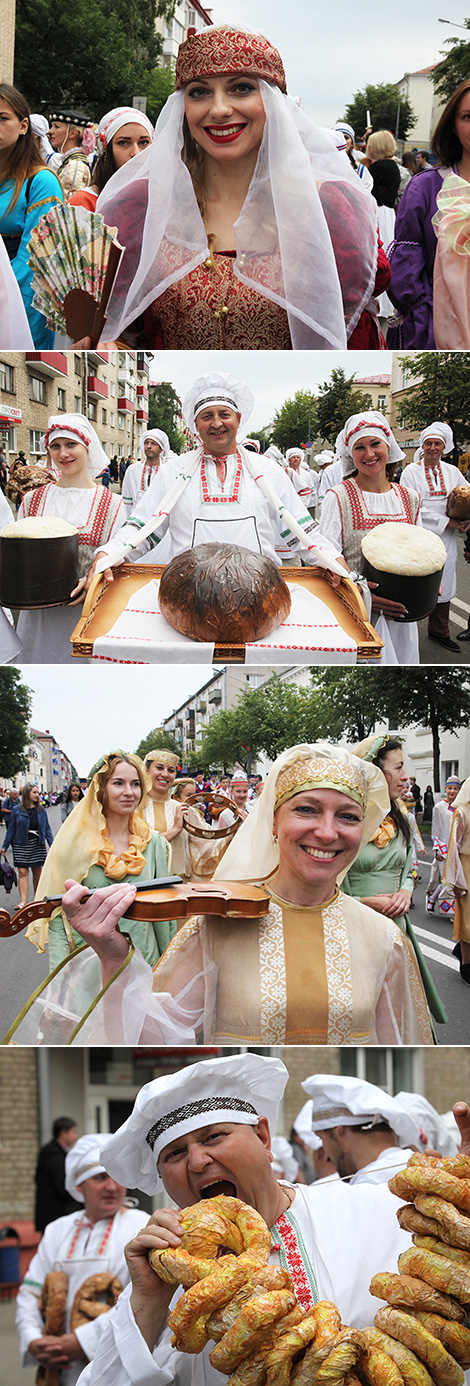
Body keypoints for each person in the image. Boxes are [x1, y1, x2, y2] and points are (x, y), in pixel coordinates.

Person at [70, 1054, 470, 1386]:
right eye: (174, 1154)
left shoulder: (379, 1211)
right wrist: (148, 1304)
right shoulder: (169, 1279)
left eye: (214, 1137)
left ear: (263, 1138)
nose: (197, 1161)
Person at [30, 743, 436, 1046]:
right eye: (307, 810)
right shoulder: (220, 926)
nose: (328, 832)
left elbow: (402, 1044)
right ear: (273, 823)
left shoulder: (384, 938)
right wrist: (114, 956)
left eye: (347, 817)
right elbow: (151, 1039)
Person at [93, 24, 384, 351]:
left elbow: (349, 341)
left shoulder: (325, 208)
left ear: (272, 102)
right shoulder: (142, 207)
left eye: (242, 88)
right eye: (199, 92)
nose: (218, 109)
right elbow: (123, 331)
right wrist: (110, 349)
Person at [88, 372, 348, 586]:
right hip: (187, 595)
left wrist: (333, 559)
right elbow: (143, 528)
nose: (216, 423)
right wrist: (109, 554)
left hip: (261, 593)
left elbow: (301, 530)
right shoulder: (174, 471)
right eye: (207, 416)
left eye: (224, 414)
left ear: (238, 419)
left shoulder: (267, 471)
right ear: (196, 424)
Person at [23, 750, 176, 977]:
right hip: (89, 969)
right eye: (118, 783)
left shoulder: (155, 844)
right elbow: (58, 920)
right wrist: (58, 983)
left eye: (135, 784)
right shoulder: (72, 847)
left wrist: (168, 971)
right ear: (100, 789)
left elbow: (165, 917)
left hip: (145, 965)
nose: (128, 792)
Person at [17, 1134, 144, 1386]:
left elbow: (141, 1299)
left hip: (117, 1365)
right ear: (79, 1185)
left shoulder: (142, 1226)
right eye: (99, 1178)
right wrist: (33, 1339)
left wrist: (83, 1341)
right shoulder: (58, 1230)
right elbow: (30, 1292)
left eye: (117, 1178)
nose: (112, 1187)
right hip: (59, 1368)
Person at [343, 733, 447, 1025]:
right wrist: (366, 902)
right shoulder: (347, 817)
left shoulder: (398, 811)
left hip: (397, 924)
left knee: (400, 1011)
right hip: (358, 924)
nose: (405, 776)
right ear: (376, 770)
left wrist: (405, 891)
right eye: (398, 767)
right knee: (366, 1011)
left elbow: (409, 864)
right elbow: (330, 884)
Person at [15, 412, 125, 664]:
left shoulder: (113, 504)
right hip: (38, 617)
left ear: (87, 447)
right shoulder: (32, 501)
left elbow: (119, 562)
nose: (63, 453)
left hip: (87, 614)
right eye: (56, 446)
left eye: (71, 444)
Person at [317, 411, 421, 664]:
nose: (369, 454)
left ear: (389, 446)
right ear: (350, 454)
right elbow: (324, 561)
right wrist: (364, 597)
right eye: (360, 447)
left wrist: (427, 583)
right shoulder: (339, 497)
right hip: (357, 615)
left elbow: (420, 551)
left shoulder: (410, 497)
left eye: (375, 444)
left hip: (403, 616)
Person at [388, 78, 470, 348]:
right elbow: (406, 265)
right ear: (453, 126)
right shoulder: (426, 186)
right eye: (468, 117)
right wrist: (427, 320)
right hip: (438, 332)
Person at [0, 82, 63, 346]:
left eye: (3, 118)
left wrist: (4, 292)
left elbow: (34, 255)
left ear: (23, 126)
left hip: (23, 295)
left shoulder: (41, 181)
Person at [400, 421, 470, 652]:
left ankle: (440, 632)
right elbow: (413, 504)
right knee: (418, 581)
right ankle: (403, 632)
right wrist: (448, 521)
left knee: (445, 580)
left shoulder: (452, 471)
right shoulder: (411, 471)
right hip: (422, 533)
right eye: (428, 443)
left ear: (444, 447)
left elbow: (467, 495)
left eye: (437, 444)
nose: (432, 448)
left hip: (447, 538)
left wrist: (467, 517)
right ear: (423, 446)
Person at [306, 1075, 420, 1186]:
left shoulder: (369, 1185)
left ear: (339, 1132)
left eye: (321, 1138)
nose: (326, 1157)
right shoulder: (423, 1166)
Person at [68, 106, 153, 213]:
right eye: (123, 143)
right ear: (106, 149)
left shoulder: (162, 199)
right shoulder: (84, 203)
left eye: (144, 142)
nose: (136, 153)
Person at [0, 783, 53, 907]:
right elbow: (11, 829)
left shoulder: (41, 810)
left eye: (37, 793)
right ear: (27, 793)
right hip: (21, 843)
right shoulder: (17, 810)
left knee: (37, 872)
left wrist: (52, 844)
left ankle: (37, 899)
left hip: (37, 844)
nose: (37, 795)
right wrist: (5, 845)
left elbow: (46, 828)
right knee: (22, 872)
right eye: (34, 792)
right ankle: (23, 901)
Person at [442, 774, 470, 983]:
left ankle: (460, 950)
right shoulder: (462, 813)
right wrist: (456, 881)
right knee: (468, 921)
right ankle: (467, 964)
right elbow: (454, 847)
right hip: (466, 869)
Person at [35, 1116, 81, 1233]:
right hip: (56, 1214)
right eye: (73, 1132)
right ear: (63, 1133)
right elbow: (63, 1186)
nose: (75, 1136)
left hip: (50, 1213)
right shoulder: (55, 1156)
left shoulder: (50, 1153)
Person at [427, 773, 461, 916]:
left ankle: (436, 900)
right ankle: (451, 912)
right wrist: (437, 849)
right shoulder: (440, 807)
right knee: (446, 880)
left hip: (459, 849)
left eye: (455, 789)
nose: (452, 791)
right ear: (445, 790)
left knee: (457, 881)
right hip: (445, 849)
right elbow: (437, 830)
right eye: (450, 788)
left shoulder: (462, 807)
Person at [121, 429, 173, 522]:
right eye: (146, 443)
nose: (149, 446)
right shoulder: (133, 470)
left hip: (160, 523)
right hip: (135, 522)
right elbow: (127, 502)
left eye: (153, 443)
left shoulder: (168, 471)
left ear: (161, 449)